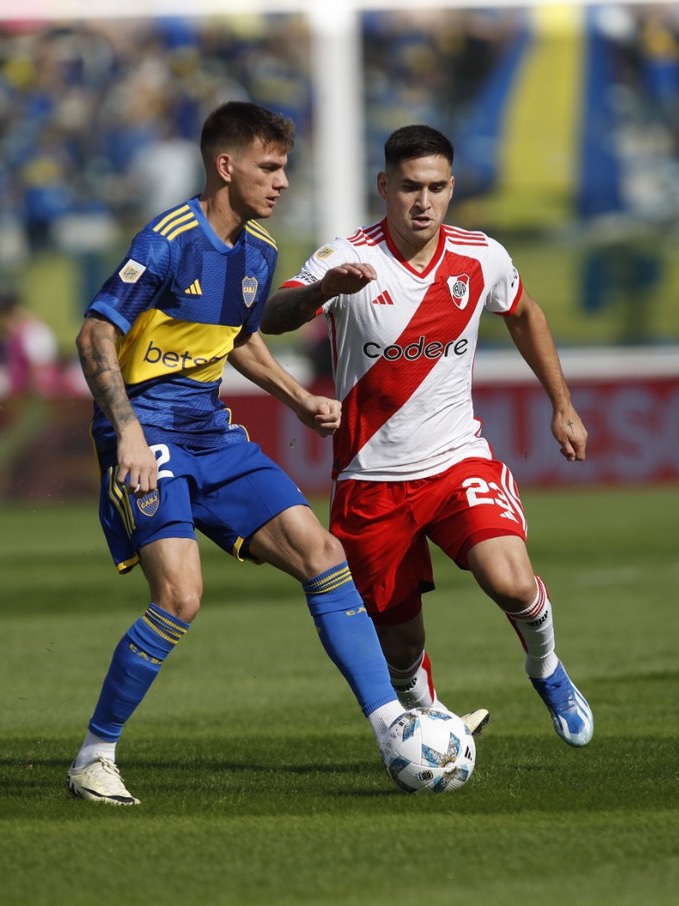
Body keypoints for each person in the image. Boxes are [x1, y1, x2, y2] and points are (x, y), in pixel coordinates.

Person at [68, 101, 423, 806]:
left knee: (322, 554)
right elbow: (93, 335)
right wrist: (131, 434)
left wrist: (295, 397)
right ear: (226, 167)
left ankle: (394, 732)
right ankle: (94, 756)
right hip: (148, 429)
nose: (283, 181)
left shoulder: (258, 253)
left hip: (210, 428)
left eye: (285, 166)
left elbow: (235, 339)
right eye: (270, 166)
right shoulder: (167, 238)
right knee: (181, 596)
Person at [260, 124, 594, 748]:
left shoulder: (480, 255)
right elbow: (274, 316)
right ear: (384, 186)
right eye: (410, 187)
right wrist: (324, 293)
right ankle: (433, 730)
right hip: (369, 481)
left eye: (437, 188)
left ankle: (547, 668)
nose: (424, 202)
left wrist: (563, 405)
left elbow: (523, 312)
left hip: (454, 461)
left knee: (512, 581)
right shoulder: (346, 257)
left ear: (451, 188)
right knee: (403, 648)